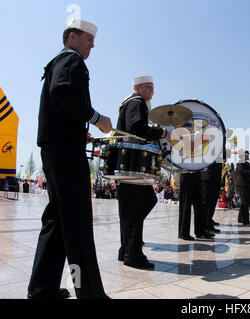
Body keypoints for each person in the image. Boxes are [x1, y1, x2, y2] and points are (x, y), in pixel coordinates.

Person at [28, 19, 112, 299]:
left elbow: (59, 105)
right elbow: (61, 92)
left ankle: (42, 288)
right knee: (76, 222)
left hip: (56, 147)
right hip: (65, 152)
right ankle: (89, 293)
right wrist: (96, 119)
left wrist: (81, 132)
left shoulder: (58, 61)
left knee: (57, 221)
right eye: (89, 40)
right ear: (73, 37)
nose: (92, 46)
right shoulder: (71, 59)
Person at [116, 75, 169, 269]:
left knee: (133, 208)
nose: (152, 91)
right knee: (137, 206)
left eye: (153, 88)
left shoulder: (130, 103)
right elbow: (136, 128)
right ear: (137, 88)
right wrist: (161, 133)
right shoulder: (136, 102)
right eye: (148, 87)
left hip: (127, 163)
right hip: (132, 164)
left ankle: (126, 249)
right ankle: (133, 254)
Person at [236, 151, 250, 225]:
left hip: (246, 184)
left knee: (245, 201)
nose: (248, 156)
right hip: (242, 184)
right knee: (244, 202)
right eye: (246, 155)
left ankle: (240, 218)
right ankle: (245, 220)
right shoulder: (240, 162)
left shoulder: (247, 163)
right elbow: (242, 172)